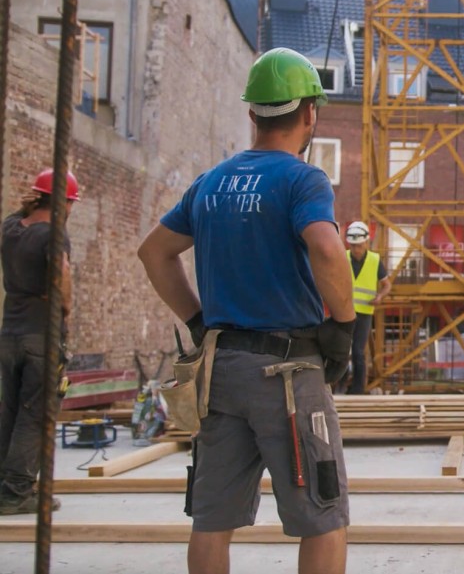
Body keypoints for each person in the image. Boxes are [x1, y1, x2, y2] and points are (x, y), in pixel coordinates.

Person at [137, 47, 357, 574]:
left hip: (220, 374)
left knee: (211, 520)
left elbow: (154, 252)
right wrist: (344, 326)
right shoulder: (302, 179)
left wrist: (198, 322)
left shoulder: (210, 183)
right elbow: (327, 249)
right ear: (310, 112)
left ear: (253, 112)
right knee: (322, 516)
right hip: (289, 375)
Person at [0, 169, 78, 516]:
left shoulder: (10, 227)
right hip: (41, 337)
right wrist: (66, 307)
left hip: (9, 334)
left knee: (10, 411)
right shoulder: (53, 235)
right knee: (34, 415)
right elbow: (62, 276)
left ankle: (4, 485)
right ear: (64, 202)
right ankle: (16, 492)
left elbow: (20, 215)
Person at [343, 221, 391, 395]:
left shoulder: (374, 260)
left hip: (364, 313)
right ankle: (338, 387)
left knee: (358, 352)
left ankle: (357, 390)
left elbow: (387, 285)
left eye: (359, 245)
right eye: (353, 246)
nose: (356, 250)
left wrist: (380, 296)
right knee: (341, 350)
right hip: (343, 311)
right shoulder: (342, 257)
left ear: (366, 242)